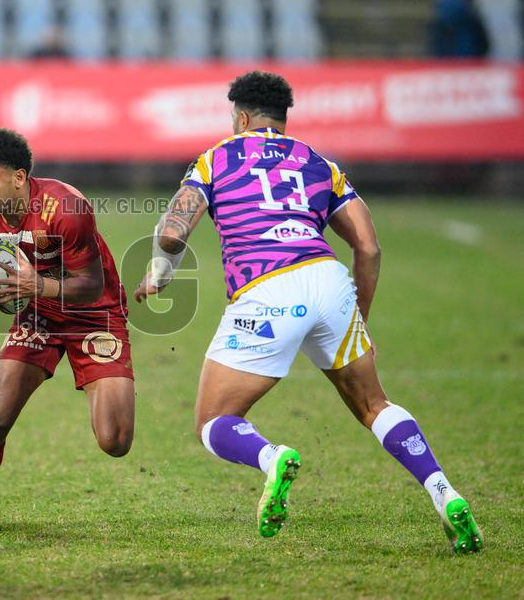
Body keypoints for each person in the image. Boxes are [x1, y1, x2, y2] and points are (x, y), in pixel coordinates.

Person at [134, 71, 482, 553]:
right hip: (329, 280)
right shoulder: (319, 163)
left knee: (213, 421)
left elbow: (173, 231)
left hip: (267, 287)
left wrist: (160, 272)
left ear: (241, 117)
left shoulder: (215, 158)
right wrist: (359, 318)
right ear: (282, 118)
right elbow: (368, 247)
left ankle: (271, 457)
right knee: (373, 405)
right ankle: (444, 491)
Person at [0, 127, 134, 531]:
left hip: (94, 314)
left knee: (114, 441)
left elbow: (91, 284)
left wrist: (37, 286)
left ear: (19, 177)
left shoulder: (67, 208)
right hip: (37, 314)